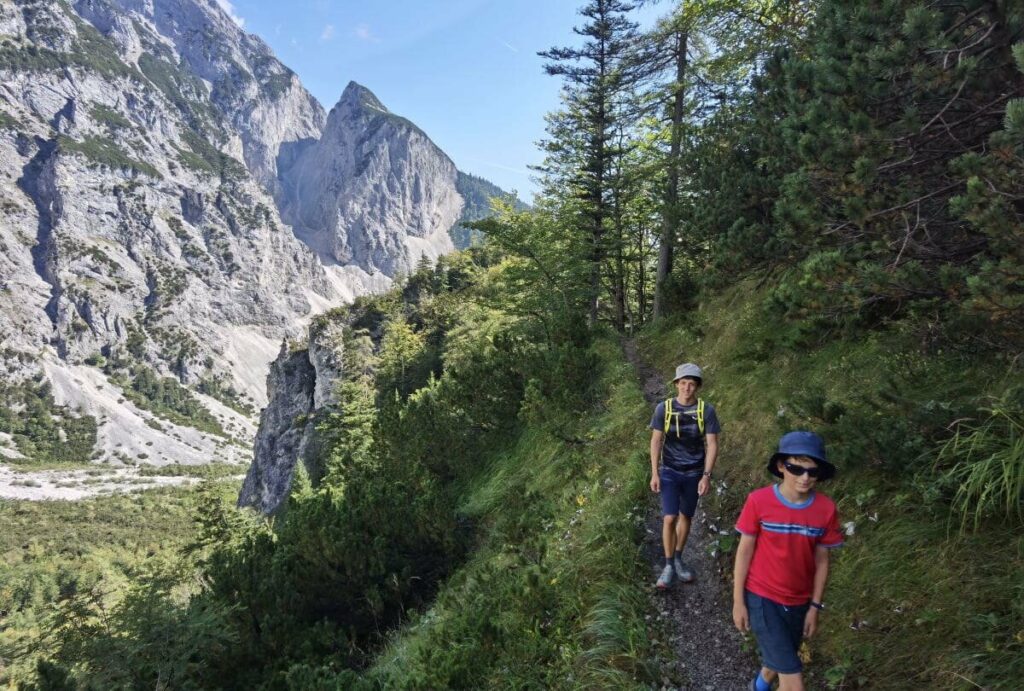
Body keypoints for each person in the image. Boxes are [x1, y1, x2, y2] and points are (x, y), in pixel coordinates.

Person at [732, 431, 844, 691]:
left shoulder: (826, 510)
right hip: (762, 598)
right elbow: (745, 551)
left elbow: (822, 561)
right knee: (794, 681)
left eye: (812, 472)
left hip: (799, 602)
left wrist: (814, 607)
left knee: (779, 662)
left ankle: (758, 686)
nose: (805, 478)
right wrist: (738, 601)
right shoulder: (758, 501)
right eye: (796, 468)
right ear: (782, 466)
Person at [649, 363, 720, 589]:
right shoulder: (664, 408)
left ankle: (678, 558)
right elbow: (656, 440)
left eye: (691, 384)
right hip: (669, 470)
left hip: (694, 472)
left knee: (686, 516)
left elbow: (712, 444)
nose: (687, 388)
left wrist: (706, 476)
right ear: (676, 385)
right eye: (683, 383)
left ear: (697, 387)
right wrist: (654, 472)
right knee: (670, 517)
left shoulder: (706, 411)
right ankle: (669, 565)